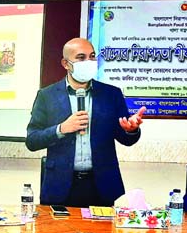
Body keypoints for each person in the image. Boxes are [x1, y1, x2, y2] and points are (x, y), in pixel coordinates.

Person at [26, 37, 145, 207]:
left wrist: (131, 130)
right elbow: (32, 140)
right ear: (66, 64)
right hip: (60, 186)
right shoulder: (47, 96)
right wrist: (61, 128)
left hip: (102, 185)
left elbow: (126, 139)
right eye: (81, 58)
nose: (88, 62)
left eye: (92, 56)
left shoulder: (111, 95)